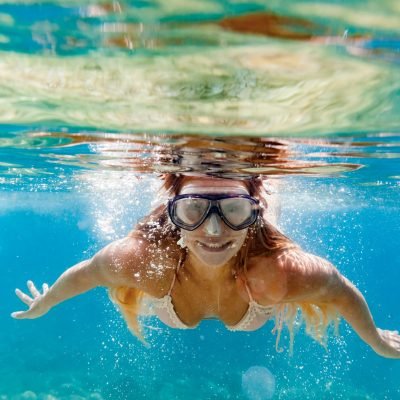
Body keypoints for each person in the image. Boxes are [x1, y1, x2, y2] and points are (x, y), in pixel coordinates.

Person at [11, 174, 400, 358]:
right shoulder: (144, 260)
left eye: (234, 211)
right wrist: (47, 302)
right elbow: (88, 273)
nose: (213, 230)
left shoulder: (280, 270)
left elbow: (340, 290)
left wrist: (377, 341)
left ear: (252, 212)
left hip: (257, 253)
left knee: (267, 232)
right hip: (180, 255)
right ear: (173, 215)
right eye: (193, 210)